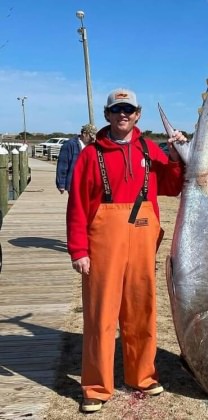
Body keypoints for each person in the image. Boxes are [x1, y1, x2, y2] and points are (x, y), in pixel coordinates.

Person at [66, 88, 187, 414]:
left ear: (137, 114)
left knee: (142, 310)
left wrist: (176, 156)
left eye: (129, 109)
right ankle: (95, 386)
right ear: (107, 115)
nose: (123, 114)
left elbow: (174, 185)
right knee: (100, 316)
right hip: (102, 241)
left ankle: (143, 375)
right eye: (116, 109)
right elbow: (76, 204)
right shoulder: (90, 155)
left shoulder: (149, 149)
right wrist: (78, 250)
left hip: (142, 238)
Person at [56, 124, 97, 193]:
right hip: (74, 182)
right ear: (84, 134)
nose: (93, 139)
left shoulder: (93, 146)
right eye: (91, 137)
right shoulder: (69, 145)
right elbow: (63, 165)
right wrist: (61, 184)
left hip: (89, 183)